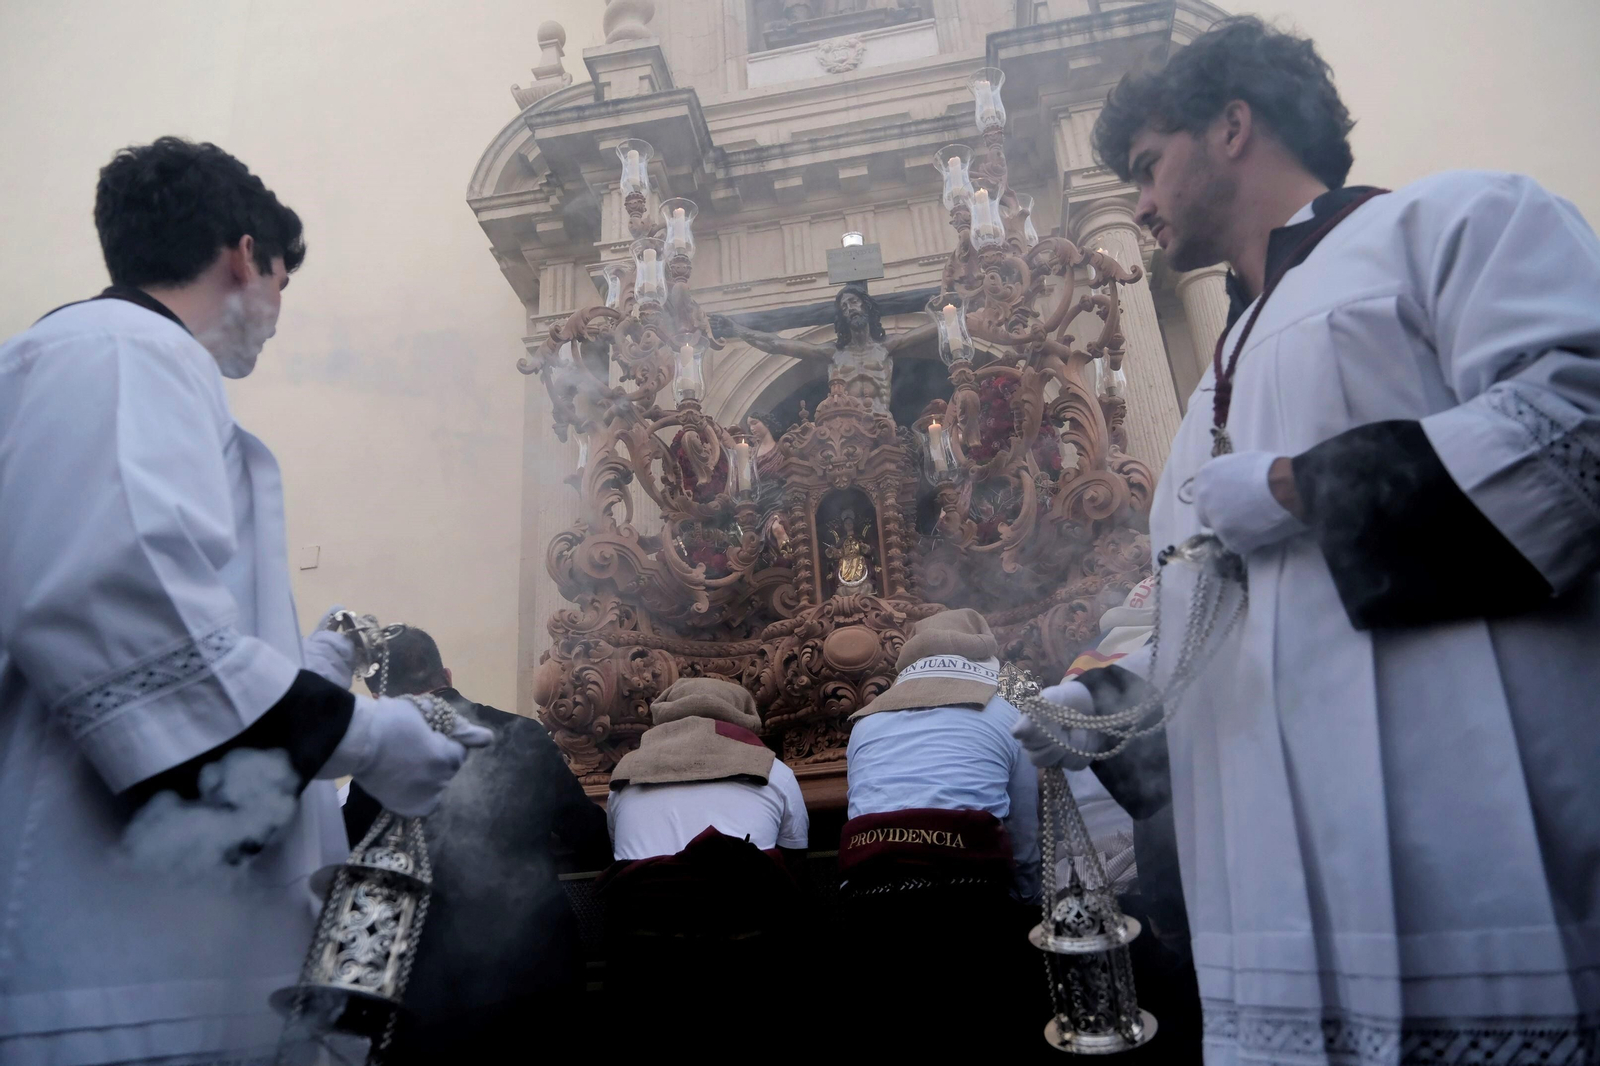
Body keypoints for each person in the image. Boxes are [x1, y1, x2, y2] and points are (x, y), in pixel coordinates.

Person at [1017, 17, 1600, 1063]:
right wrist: (1113, 702)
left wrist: (1300, 487)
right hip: (1273, 907)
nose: (1137, 204)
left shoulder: (1454, 221)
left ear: (1232, 126)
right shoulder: (1207, 388)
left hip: (1463, 850)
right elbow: (1242, 618)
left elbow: (1581, 425)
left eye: (1148, 167)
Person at [0, 137, 490, 1064]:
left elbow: (158, 629)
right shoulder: (119, 352)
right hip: (107, 957)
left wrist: (306, 671)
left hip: (156, 950)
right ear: (244, 257)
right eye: (281, 285)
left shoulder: (107, 360)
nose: (274, 318)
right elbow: (120, 607)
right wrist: (372, 737)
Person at [342, 626, 610, 1063]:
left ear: (381, 699)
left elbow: (347, 850)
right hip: (537, 970)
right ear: (445, 673)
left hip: (431, 992)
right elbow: (590, 838)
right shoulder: (524, 735)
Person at [840, 608, 1041, 1055]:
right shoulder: (1008, 708)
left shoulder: (864, 722)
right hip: (971, 908)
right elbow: (1026, 833)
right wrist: (1029, 902)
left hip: (870, 910)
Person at [601, 677, 808, 1050]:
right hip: (744, 951)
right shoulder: (774, 772)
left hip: (641, 952)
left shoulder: (624, 776)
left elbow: (622, 855)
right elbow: (794, 861)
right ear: (744, 720)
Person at [710, 285, 934, 414]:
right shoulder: (833, 353)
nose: (850, 308)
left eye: (854, 302)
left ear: (866, 305)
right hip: (846, 428)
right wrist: (735, 328)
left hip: (883, 422)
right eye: (844, 307)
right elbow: (775, 344)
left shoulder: (887, 346)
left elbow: (931, 331)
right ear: (842, 317)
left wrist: (951, 311)